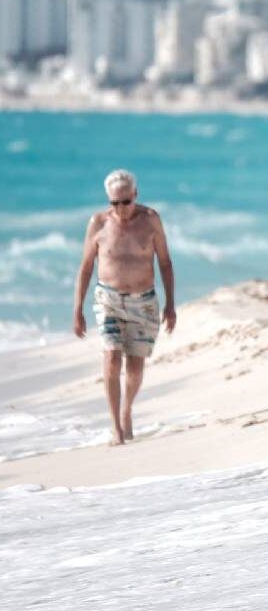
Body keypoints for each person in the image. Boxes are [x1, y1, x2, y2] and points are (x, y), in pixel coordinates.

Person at [72, 169, 176, 446]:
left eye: (125, 202)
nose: (120, 209)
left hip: (144, 301)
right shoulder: (98, 223)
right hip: (109, 300)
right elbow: (85, 267)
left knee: (135, 369)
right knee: (111, 358)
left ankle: (127, 409)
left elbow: (165, 262)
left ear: (135, 195)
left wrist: (171, 305)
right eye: (114, 203)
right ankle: (116, 427)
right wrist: (77, 309)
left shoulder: (151, 220)